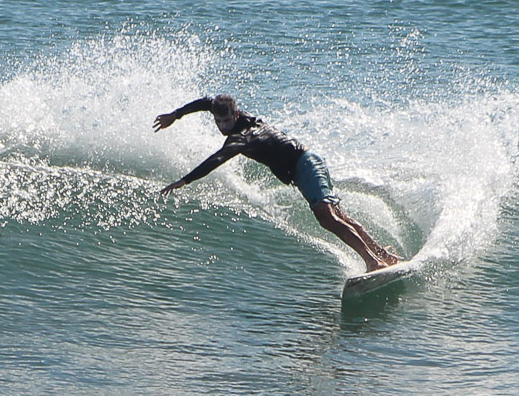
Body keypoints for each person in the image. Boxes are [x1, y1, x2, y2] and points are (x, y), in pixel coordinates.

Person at [153, 94, 401, 272]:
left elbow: (216, 159)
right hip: (306, 163)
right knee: (338, 216)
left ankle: (373, 262)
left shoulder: (242, 138)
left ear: (236, 115)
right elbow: (206, 102)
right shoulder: (227, 113)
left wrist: (185, 180)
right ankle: (382, 256)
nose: (223, 126)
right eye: (218, 122)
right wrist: (176, 115)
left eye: (227, 121)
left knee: (328, 218)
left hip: (305, 165)